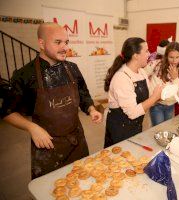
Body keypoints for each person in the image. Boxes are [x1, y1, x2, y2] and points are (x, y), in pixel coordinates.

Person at [2, 22, 102, 179]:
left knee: (81, 182)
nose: (64, 47)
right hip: (47, 146)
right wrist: (31, 127)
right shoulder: (25, 75)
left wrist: (91, 109)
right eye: (58, 42)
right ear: (41, 43)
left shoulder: (72, 68)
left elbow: (83, 93)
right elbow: (7, 112)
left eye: (66, 42)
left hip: (77, 140)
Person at [104, 37, 163, 147]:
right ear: (135, 55)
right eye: (146, 51)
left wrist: (160, 95)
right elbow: (132, 113)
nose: (149, 54)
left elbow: (147, 99)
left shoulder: (141, 72)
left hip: (135, 126)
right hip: (120, 130)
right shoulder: (121, 78)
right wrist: (154, 98)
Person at [148, 41, 179, 126]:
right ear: (166, 56)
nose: (174, 61)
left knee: (166, 128)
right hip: (157, 105)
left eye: (177, 57)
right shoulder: (156, 65)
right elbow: (144, 78)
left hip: (170, 105)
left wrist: (175, 78)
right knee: (157, 129)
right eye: (171, 57)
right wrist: (154, 98)